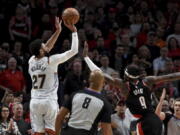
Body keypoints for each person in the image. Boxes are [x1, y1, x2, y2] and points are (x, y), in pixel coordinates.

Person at [82, 41, 180, 135]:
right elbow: (169, 77)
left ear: (127, 76)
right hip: (155, 120)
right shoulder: (147, 81)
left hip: (144, 122)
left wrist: (86, 58)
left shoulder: (124, 86)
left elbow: (101, 74)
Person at [28, 17, 78, 135]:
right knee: (53, 132)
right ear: (41, 51)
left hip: (34, 102)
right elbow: (74, 51)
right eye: (43, 45)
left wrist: (58, 31)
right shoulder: (52, 60)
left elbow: (46, 48)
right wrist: (74, 32)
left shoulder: (31, 60)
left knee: (38, 133)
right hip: (49, 101)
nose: (46, 45)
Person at [55, 45, 112, 135]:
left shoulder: (75, 94)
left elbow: (59, 116)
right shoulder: (105, 103)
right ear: (103, 84)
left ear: (89, 80)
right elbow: (107, 132)